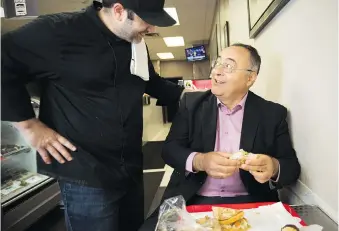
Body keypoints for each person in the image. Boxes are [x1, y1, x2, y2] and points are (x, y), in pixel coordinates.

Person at [1, 0, 185, 230]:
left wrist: (198, 97)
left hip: (130, 168)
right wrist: (29, 126)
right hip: (86, 171)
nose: (152, 29)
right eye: (146, 20)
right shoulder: (58, 31)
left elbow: (152, 83)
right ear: (119, 11)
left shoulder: (135, 42)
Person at [140, 44, 300, 230]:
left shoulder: (272, 114)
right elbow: (169, 150)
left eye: (228, 66)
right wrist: (200, 161)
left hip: (251, 203)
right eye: (217, 64)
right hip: (194, 200)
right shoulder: (191, 105)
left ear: (250, 78)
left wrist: (273, 167)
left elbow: (291, 167)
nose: (217, 72)